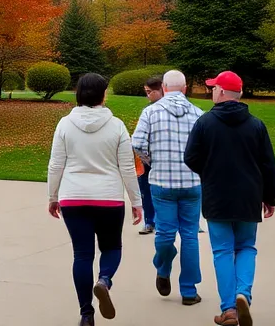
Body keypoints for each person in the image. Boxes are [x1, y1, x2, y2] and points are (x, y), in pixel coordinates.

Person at [47, 73, 144, 326]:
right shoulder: (117, 126)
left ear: (78, 94)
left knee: (82, 255)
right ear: (103, 95)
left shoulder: (65, 124)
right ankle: (104, 280)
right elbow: (126, 167)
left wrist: (52, 196)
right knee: (112, 248)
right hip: (109, 198)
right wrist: (137, 201)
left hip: (73, 197)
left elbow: (56, 164)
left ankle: (86, 314)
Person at [184, 71, 275, 326]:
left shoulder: (205, 123)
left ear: (223, 92)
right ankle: (243, 293)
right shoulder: (256, 125)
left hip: (217, 195)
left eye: (214, 88)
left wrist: (210, 170)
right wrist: (269, 198)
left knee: (223, 250)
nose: (212, 91)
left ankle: (229, 309)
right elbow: (268, 164)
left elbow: (190, 157)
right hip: (249, 195)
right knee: (246, 247)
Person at [131, 69, 205, 307]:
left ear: (163, 87)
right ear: (185, 89)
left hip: (161, 182)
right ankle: (189, 290)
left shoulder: (150, 112)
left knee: (164, 233)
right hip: (192, 183)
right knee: (190, 236)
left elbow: (138, 143)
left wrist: (152, 161)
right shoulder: (199, 115)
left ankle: (163, 268)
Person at [137, 75, 163, 235]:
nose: (147, 95)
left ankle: (158, 221)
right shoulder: (148, 111)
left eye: (149, 92)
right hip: (148, 159)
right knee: (145, 191)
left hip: (160, 160)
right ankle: (150, 221)